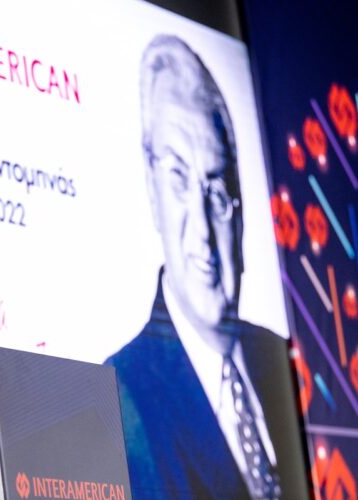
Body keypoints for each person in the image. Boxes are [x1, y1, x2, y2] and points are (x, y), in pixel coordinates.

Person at [105, 35, 308, 499]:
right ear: (151, 187)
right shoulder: (118, 396)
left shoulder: (282, 360)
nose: (202, 230)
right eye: (179, 177)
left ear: (240, 208)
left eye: (216, 191)